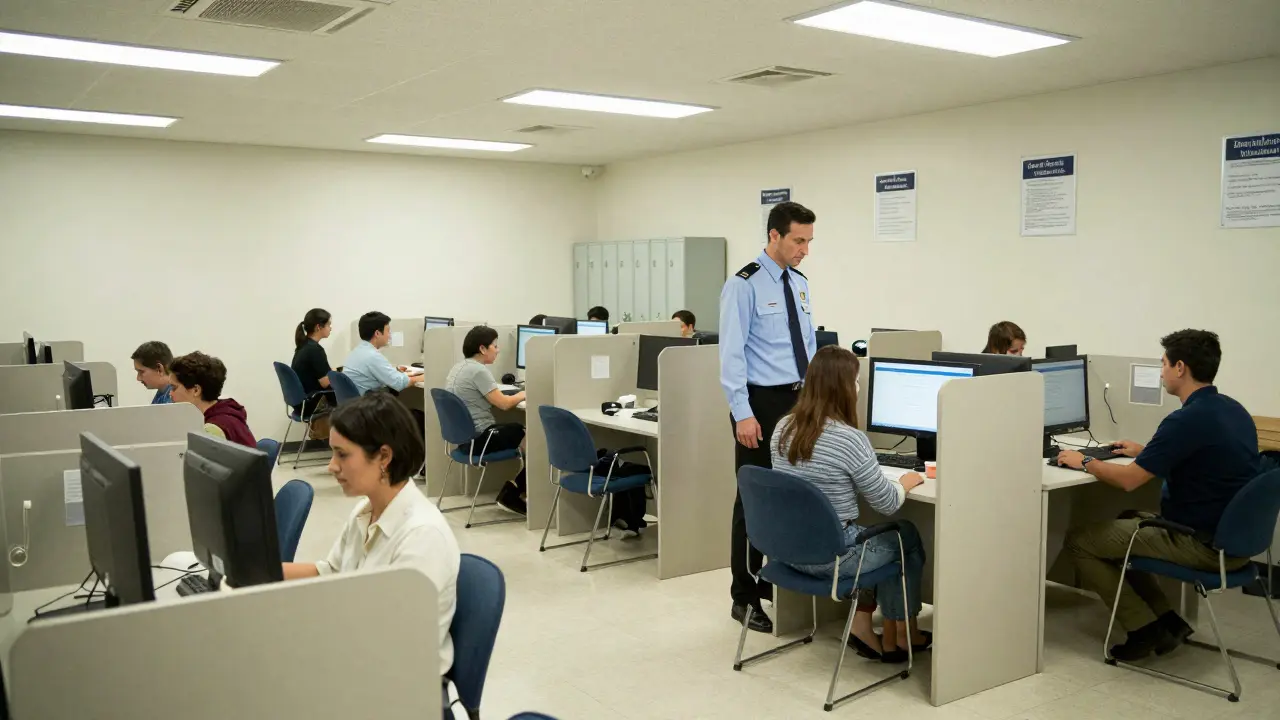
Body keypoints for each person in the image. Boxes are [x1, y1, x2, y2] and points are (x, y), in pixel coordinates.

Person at [1057, 330, 1260, 661]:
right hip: (1234, 541)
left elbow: (1128, 481)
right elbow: (1203, 463)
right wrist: (1147, 451)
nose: (1161, 371)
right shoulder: (1231, 410)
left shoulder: (1185, 419)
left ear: (1180, 367)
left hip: (1200, 543)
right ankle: (1168, 621)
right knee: (1127, 520)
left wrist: (1086, 461)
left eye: (1164, 364)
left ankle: (1142, 628)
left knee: (1080, 541)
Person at [281, 392, 460, 676]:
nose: (331, 466)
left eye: (342, 454)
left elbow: (394, 644)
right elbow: (331, 572)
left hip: (398, 686)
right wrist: (256, 572)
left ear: (384, 457)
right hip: (362, 661)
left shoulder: (422, 537)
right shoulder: (367, 511)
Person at [771, 346, 930, 662]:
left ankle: (868, 624)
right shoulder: (849, 439)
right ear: (844, 387)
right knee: (904, 536)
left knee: (877, 536)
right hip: (831, 558)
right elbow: (886, 503)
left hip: (787, 551)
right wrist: (905, 482)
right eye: (856, 381)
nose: (858, 388)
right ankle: (903, 632)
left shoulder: (783, 427)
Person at [719, 200, 818, 633]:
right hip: (760, 405)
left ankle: (780, 581)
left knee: (797, 496)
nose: (805, 250)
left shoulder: (799, 283)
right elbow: (731, 355)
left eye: (809, 242)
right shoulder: (744, 285)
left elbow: (808, 347)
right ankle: (744, 595)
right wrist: (742, 412)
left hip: (800, 403)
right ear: (774, 235)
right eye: (799, 240)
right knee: (754, 500)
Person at [445, 326, 527, 514]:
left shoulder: (459, 367)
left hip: (465, 439)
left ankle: (518, 490)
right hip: (482, 438)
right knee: (533, 436)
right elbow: (505, 404)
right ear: (483, 349)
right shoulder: (478, 371)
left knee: (517, 429)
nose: (498, 350)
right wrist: (523, 393)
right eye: (495, 346)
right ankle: (515, 492)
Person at [169, 351, 256, 447]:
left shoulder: (212, 431)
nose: (170, 393)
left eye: (174, 388)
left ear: (196, 390)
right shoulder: (227, 412)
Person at [343, 311, 418, 396]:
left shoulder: (357, 351)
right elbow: (400, 383)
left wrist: (393, 372)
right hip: (367, 405)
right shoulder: (372, 356)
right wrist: (423, 377)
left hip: (353, 404)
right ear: (377, 333)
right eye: (388, 331)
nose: (389, 336)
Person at [292, 308, 336, 439]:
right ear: (318, 327)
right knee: (356, 400)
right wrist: (336, 374)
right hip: (313, 402)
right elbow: (324, 383)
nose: (330, 328)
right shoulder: (315, 350)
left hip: (302, 401)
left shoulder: (303, 346)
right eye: (328, 324)